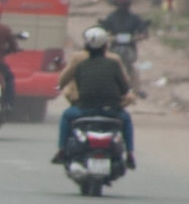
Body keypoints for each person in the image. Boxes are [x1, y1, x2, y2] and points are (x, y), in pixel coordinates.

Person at [54, 26, 136, 169]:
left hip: (85, 109)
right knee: (126, 119)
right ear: (106, 46)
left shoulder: (79, 63)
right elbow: (125, 87)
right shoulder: (114, 61)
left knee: (67, 116)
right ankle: (130, 154)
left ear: (86, 45)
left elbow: (76, 84)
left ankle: (61, 150)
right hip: (111, 110)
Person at [101, 0, 150, 96]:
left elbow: (143, 29)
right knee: (108, 66)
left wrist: (142, 35)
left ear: (128, 2)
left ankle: (137, 90)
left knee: (134, 67)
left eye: (123, 2)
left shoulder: (134, 18)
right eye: (119, 2)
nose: (121, 5)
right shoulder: (111, 17)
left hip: (130, 48)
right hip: (115, 47)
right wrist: (105, 35)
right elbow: (104, 28)